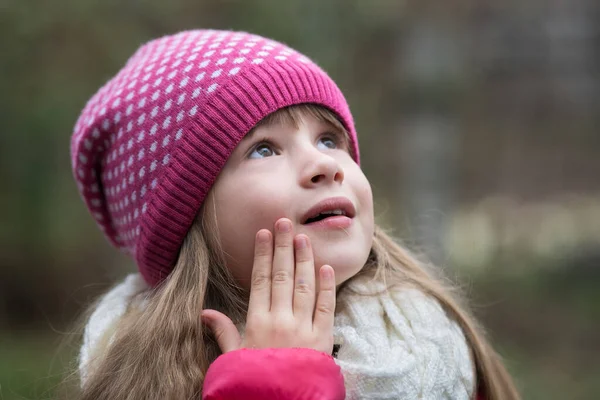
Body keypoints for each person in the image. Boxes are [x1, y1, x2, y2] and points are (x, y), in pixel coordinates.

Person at [70, 29, 519, 399]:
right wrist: (274, 383)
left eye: (329, 139)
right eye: (263, 149)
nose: (325, 164)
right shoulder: (141, 379)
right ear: (183, 221)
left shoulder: (426, 340)